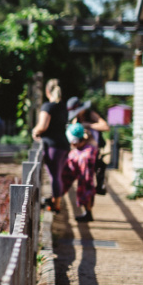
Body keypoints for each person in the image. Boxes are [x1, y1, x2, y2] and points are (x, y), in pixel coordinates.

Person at [31, 79, 70, 213]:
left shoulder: (48, 106)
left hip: (53, 146)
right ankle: (55, 201)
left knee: (54, 176)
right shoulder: (62, 106)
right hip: (64, 145)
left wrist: (34, 132)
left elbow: (43, 126)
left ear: (47, 91)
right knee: (58, 175)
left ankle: (56, 204)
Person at [61, 123, 98, 222]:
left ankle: (88, 212)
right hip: (77, 166)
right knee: (64, 178)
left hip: (85, 173)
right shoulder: (78, 149)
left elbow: (87, 178)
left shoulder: (87, 154)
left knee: (85, 185)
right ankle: (55, 199)